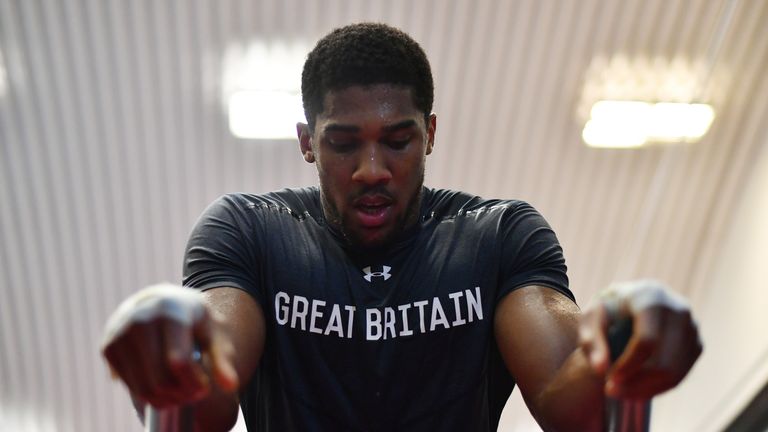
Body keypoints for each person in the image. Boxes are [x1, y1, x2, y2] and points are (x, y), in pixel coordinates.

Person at [101, 23, 702, 431]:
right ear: (307, 143)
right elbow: (213, 381)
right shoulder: (251, 230)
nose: (372, 170)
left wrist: (623, 345)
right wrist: (170, 355)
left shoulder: (498, 234)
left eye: (397, 141)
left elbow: (569, 401)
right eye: (342, 143)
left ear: (430, 134)